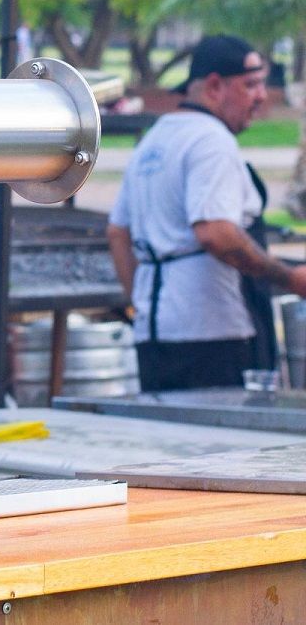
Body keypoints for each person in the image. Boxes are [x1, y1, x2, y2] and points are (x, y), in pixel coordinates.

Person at [107, 34, 306, 391]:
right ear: (215, 86)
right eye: (252, 85)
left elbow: (118, 234)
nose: (261, 97)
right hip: (216, 334)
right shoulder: (211, 140)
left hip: (155, 332)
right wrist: (290, 279)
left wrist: (141, 305)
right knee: (227, 445)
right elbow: (216, 233)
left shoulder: (154, 139)